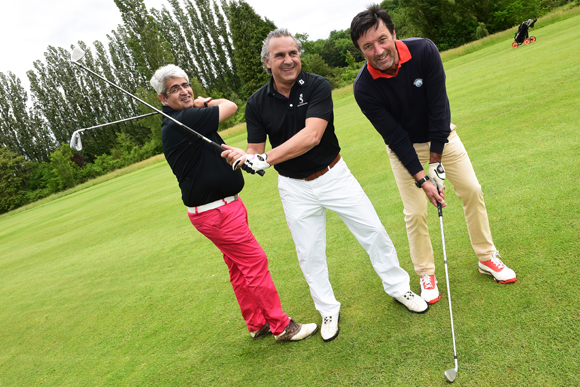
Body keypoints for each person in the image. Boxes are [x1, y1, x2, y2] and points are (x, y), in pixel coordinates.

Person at [221, 28, 428, 343]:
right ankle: (328, 309)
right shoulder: (257, 103)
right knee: (310, 253)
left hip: (333, 175)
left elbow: (312, 135)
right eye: (280, 55)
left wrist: (265, 158)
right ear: (267, 62)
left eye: (293, 53)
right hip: (294, 188)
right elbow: (255, 149)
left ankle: (399, 288)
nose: (289, 60)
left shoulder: (317, 85)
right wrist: (246, 158)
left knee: (373, 232)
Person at [350, 5, 517, 305]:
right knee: (415, 212)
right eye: (368, 46)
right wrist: (422, 178)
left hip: (442, 137)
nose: (378, 50)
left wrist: (436, 162)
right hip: (404, 149)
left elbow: (439, 108)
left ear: (394, 34)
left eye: (382, 39)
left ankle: (486, 256)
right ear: (361, 51)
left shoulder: (424, 51)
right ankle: (426, 273)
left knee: (471, 189)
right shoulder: (364, 88)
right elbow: (395, 136)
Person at [149, 64, 317, 342]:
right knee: (254, 262)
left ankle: (256, 322)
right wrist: (207, 101)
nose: (184, 91)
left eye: (185, 84)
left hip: (219, 209)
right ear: (163, 99)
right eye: (174, 89)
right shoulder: (185, 119)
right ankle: (281, 326)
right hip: (217, 212)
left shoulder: (179, 119)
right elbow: (231, 106)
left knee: (238, 267)